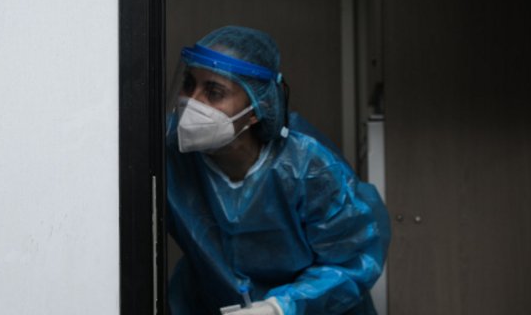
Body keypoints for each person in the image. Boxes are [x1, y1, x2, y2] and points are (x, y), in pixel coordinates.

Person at [166, 26, 390, 315]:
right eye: (188, 84)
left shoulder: (307, 166)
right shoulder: (169, 155)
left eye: (214, 92)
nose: (192, 102)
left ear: (256, 109)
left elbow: (353, 258)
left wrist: (279, 307)